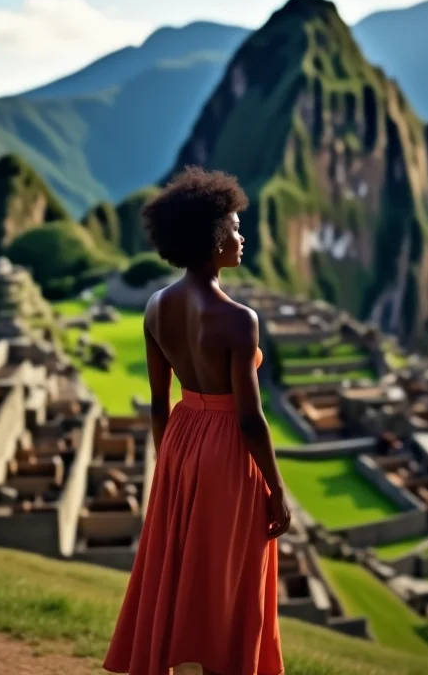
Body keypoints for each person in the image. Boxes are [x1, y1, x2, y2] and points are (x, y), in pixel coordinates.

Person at [102, 166, 290, 675]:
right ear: (212, 240)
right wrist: (275, 488)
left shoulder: (156, 307)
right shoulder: (237, 319)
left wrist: (171, 463)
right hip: (229, 446)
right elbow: (250, 419)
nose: (241, 236)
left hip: (182, 437)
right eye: (233, 228)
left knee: (181, 562)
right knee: (232, 573)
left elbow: (159, 402)